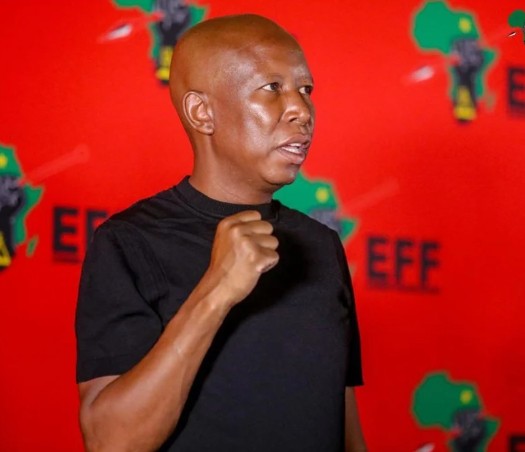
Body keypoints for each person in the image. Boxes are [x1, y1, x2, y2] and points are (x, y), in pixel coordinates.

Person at [76, 14, 367, 452]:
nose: (302, 111)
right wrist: (216, 291)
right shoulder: (129, 242)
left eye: (306, 90)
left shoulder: (320, 245)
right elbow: (111, 442)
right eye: (272, 88)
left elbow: (345, 428)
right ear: (202, 112)